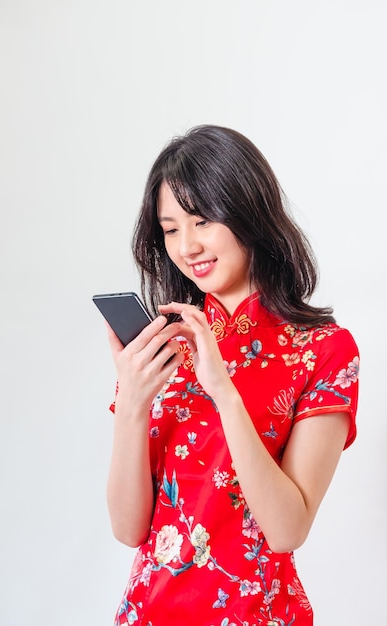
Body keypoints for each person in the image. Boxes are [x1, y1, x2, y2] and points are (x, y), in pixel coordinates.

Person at [106, 125, 360, 626]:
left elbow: (288, 529)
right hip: (148, 613)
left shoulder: (322, 350)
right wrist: (132, 405)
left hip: (256, 612)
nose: (187, 246)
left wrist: (223, 389)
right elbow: (127, 527)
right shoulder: (162, 346)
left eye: (202, 221)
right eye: (171, 228)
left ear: (248, 213)